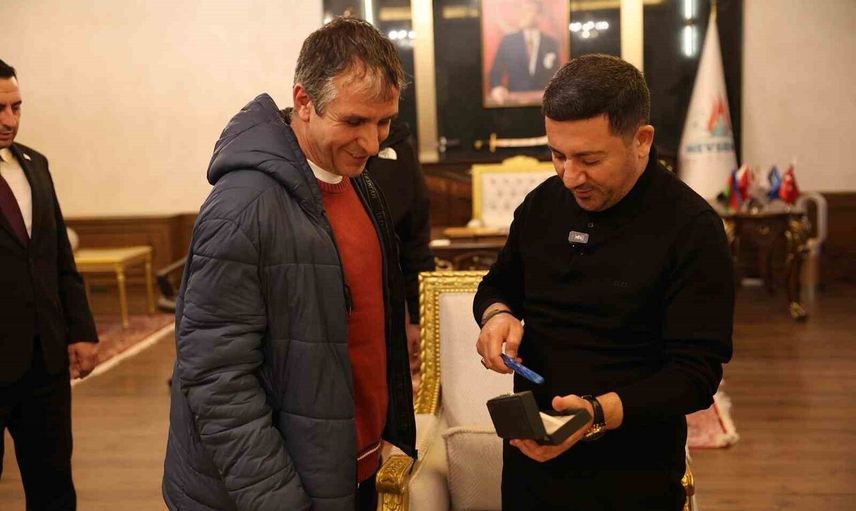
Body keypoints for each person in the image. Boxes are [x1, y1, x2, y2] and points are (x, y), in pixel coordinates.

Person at [162, 18, 416, 511]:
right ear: (304, 102)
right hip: (271, 492)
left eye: (383, 122)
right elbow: (217, 380)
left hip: (346, 469)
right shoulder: (242, 206)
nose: (371, 143)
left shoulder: (357, 182)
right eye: (354, 122)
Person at [474, 54, 734, 510]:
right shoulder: (542, 205)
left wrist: (596, 413)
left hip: (634, 474)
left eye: (590, 159)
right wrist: (497, 316)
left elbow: (695, 376)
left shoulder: (692, 229)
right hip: (531, 465)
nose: (570, 176)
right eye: (558, 155)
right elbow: (498, 286)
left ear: (641, 140)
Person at [0, 59, 99, 510]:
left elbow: (59, 255)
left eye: (17, 107)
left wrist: (81, 331)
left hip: (44, 360)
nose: (10, 120)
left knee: (53, 485)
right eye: (0, 109)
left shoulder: (34, 164)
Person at [365, 118, 435, 391]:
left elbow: (414, 242)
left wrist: (418, 319)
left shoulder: (399, 147)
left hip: (388, 313)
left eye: (385, 120)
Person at [488, 0, 560, 105]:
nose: (522, 14)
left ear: (539, 17)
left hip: (543, 103)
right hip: (514, 103)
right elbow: (496, 72)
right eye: (521, 10)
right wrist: (497, 87)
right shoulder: (508, 42)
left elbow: (557, 74)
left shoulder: (550, 43)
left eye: (528, 10)